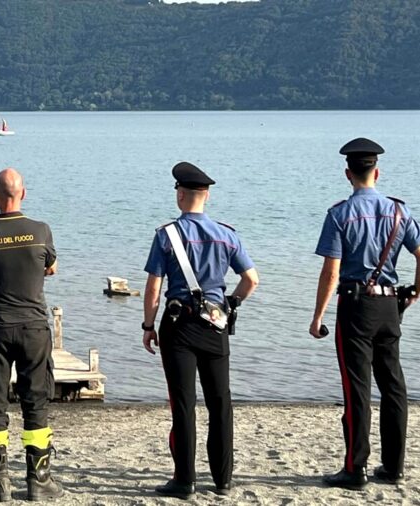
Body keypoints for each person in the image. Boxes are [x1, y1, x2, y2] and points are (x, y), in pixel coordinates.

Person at [309, 138, 420, 490]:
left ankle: (355, 468)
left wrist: (317, 316)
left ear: (348, 174)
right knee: (393, 386)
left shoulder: (339, 215)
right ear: (377, 172)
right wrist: (412, 297)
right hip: (389, 305)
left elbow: (331, 273)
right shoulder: (399, 212)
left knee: (357, 388)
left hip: (355, 305)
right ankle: (393, 467)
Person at [142, 162, 259, 499]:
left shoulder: (167, 235)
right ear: (206, 196)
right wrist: (231, 303)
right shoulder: (227, 234)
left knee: (183, 404)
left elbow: (153, 288)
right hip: (215, 324)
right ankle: (223, 478)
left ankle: (185, 480)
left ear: (180, 195)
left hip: (178, 327)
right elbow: (251, 280)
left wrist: (148, 325)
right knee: (220, 402)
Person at [0, 168, 62, 502]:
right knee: (35, 400)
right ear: (24, 193)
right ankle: (38, 479)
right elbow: (50, 267)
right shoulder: (41, 231)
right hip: (33, 326)